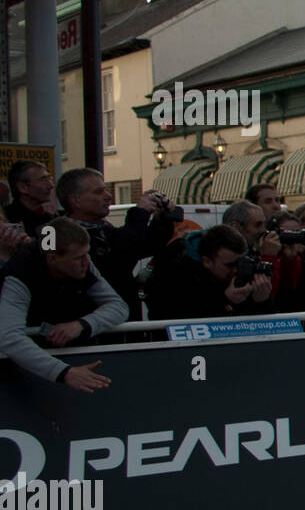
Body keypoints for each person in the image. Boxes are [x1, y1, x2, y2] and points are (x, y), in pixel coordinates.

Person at [0, 218, 126, 393]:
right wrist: (64, 372)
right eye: (79, 258)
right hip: (22, 375)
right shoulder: (19, 275)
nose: (86, 263)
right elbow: (8, 337)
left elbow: (118, 306)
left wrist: (82, 325)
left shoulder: (81, 264)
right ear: (52, 258)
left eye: (86, 254)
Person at [56, 168, 176, 321]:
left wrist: (162, 220)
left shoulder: (103, 229)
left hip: (123, 319)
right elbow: (120, 257)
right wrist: (139, 213)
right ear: (75, 200)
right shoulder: (56, 234)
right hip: (90, 322)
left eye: (106, 190)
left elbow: (145, 246)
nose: (108, 196)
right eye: (98, 192)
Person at [145, 223, 275, 320]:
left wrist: (261, 301)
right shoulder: (177, 275)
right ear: (207, 261)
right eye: (230, 265)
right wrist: (227, 301)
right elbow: (184, 324)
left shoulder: (240, 273)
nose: (236, 270)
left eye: (241, 263)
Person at [4, 159, 56, 237]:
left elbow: (49, 248)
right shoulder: (5, 220)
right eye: (43, 180)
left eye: (50, 179)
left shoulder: (50, 220)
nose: (51, 185)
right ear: (23, 187)